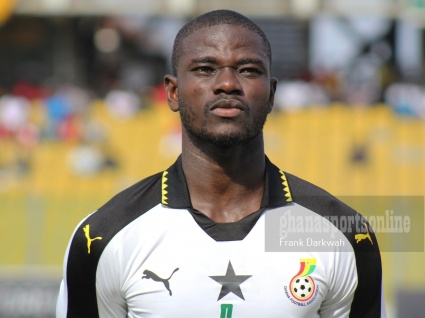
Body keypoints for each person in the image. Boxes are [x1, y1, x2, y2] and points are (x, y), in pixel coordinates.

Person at [56, 10, 385, 317]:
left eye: (248, 70)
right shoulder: (104, 237)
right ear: (172, 92)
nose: (227, 83)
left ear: (271, 94)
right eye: (204, 69)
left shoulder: (342, 234)